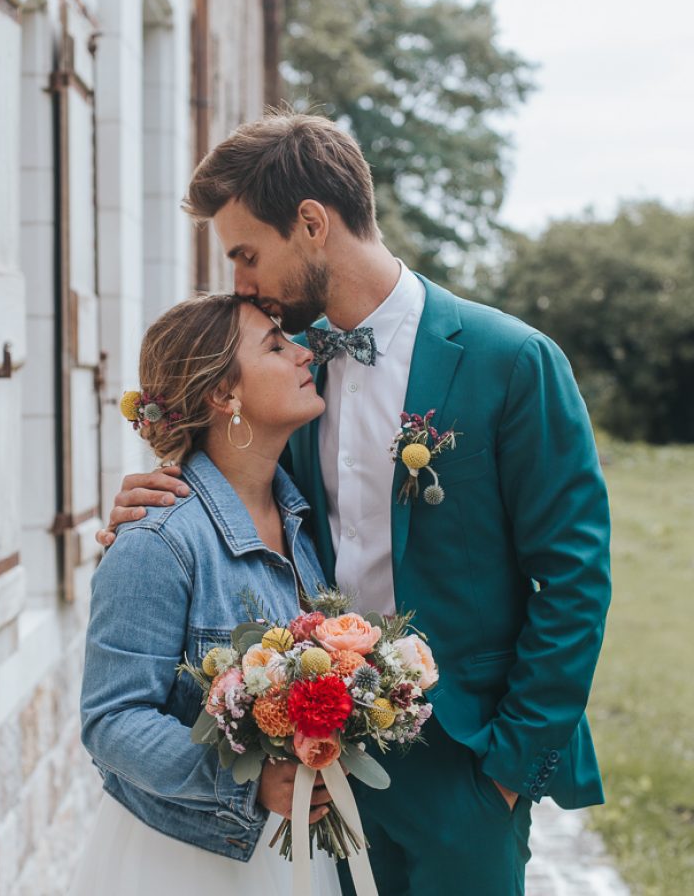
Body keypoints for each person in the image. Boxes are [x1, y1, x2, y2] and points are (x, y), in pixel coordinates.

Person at [97, 111, 612, 895]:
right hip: (313, 763)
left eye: (246, 253)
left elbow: (575, 577)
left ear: (310, 223)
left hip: (467, 765)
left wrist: (510, 767)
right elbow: (238, 495)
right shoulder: (294, 382)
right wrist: (157, 493)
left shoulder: (513, 362)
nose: (240, 282)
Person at [71, 294, 341, 895]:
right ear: (224, 396)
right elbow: (111, 720)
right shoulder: (157, 540)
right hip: (186, 862)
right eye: (276, 345)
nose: (304, 353)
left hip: (291, 852)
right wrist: (247, 780)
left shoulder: (300, 517)